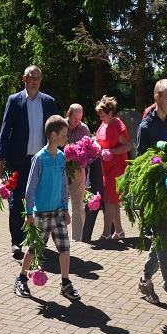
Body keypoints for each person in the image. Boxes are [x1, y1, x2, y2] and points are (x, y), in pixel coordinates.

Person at [14, 115, 81, 301]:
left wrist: (66, 209)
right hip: (40, 213)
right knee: (34, 248)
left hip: (58, 212)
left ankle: (65, 283)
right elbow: (30, 188)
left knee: (65, 248)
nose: (66, 138)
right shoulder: (39, 158)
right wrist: (28, 212)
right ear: (53, 135)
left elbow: (63, 185)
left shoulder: (61, 157)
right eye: (64, 134)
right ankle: (21, 279)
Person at [135, 79, 167, 323]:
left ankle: (145, 280)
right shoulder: (146, 127)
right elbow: (141, 164)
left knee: (161, 241)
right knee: (165, 246)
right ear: (156, 98)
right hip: (155, 197)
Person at [0, 66, 58, 258]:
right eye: (32, 77)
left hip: (42, 161)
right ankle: (16, 242)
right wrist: (0, 156)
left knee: (41, 202)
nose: (35, 81)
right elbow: (6, 130)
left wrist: (59, 156)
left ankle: (35, 240)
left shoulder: (49, 102)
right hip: (19, 161)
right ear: (24, 78)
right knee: (18, 202)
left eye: (38, 78)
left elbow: (57, 130)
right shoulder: (14, 101)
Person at [94, 95, 131, 241]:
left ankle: (106, 234)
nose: (100, 118)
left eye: (102, 115)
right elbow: (98, 140)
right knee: (113, 199)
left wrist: (112, 152)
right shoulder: (104, 124)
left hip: (117, 166)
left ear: (110, 113)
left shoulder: (118, 126)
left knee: (109, 200)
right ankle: (120, 231)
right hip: (106, 166)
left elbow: (127, 145)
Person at [66, 103, 91, 241]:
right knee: (58, 204)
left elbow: (88, 150)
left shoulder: (84, 129)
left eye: (80, 118)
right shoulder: (60, 126)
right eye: (75, 118)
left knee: (78, 205)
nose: (78, 122)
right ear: (68, 114)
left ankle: (77, 239)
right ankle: (60, 237)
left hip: (78, 170)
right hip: (61, 170)